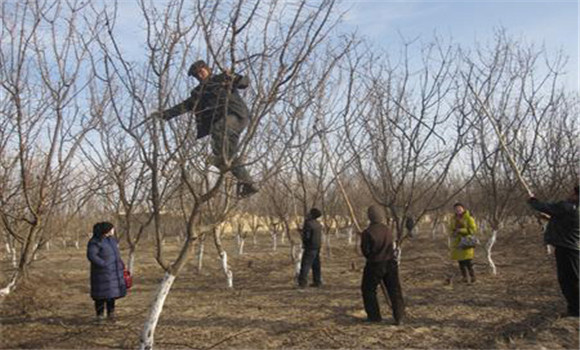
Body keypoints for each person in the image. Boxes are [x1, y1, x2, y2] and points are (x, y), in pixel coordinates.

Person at [150, 60, 258, 198]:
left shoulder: (221, 78)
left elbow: (244, 83)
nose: (200, 75)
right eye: (197, 75)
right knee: (226, 155)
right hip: (224, 125)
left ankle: (222, 162)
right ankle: (248, 183)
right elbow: (184, 106)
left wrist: (234, 77)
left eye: (201, 71)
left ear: (208, 69)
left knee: (218, 130)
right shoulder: (198, 93)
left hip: (235, 115)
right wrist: (163, 114)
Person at [527, 185, 579, 317]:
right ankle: (574, 308)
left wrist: (533, 200)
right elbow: (567, 222)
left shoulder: (568, 206)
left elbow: (546, 207)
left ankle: (576, 310)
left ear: (576, 194)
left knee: (569, 280)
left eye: (572, 191)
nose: (569, 193)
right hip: (572, 247)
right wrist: (549, 218)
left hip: (568, 248)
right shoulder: (573, 209)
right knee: (571, 279)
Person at [360, 205, 405, 324]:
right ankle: (399, 316)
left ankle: (374, 317)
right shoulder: (387, 229)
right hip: (391, 262)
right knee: (395, 290)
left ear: (370, 216)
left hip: (375, 264)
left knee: (368, 290)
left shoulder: (367, 232)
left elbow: (366, 251)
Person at [87, 222, 127, 322]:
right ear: (106, 230)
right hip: (101, 274)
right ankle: (100, 316)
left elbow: (116, 255)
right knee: (100, 296)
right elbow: (92, 256)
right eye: (112, 229)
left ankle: (111, 315)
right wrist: (103, 264)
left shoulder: (111, 240)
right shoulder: (95, 241)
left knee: (111, 295)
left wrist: (121, 264)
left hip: (114, 272)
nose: (113, 230)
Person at [448, 202, 477, 284]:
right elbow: (450, 228)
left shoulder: (469, 218)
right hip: (457, 242)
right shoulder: (453, 219)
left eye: (459, 209)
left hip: (466, 242)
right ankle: (464, 277)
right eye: (456, 209)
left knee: (468, 261)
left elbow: (473, 230)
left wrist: (461, 230)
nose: (458, 210)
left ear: (463, 209)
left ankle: (472, 277)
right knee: (460, 262)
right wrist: (452, 232)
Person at [297, 208, 323, 288]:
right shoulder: (318, 224)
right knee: (316, 265)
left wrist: (302, 234)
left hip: (310, 247)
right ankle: (317, 281)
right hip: (317, 247)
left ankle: (302, 283)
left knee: (305, 265)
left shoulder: (308, 223)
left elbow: (307, 237)